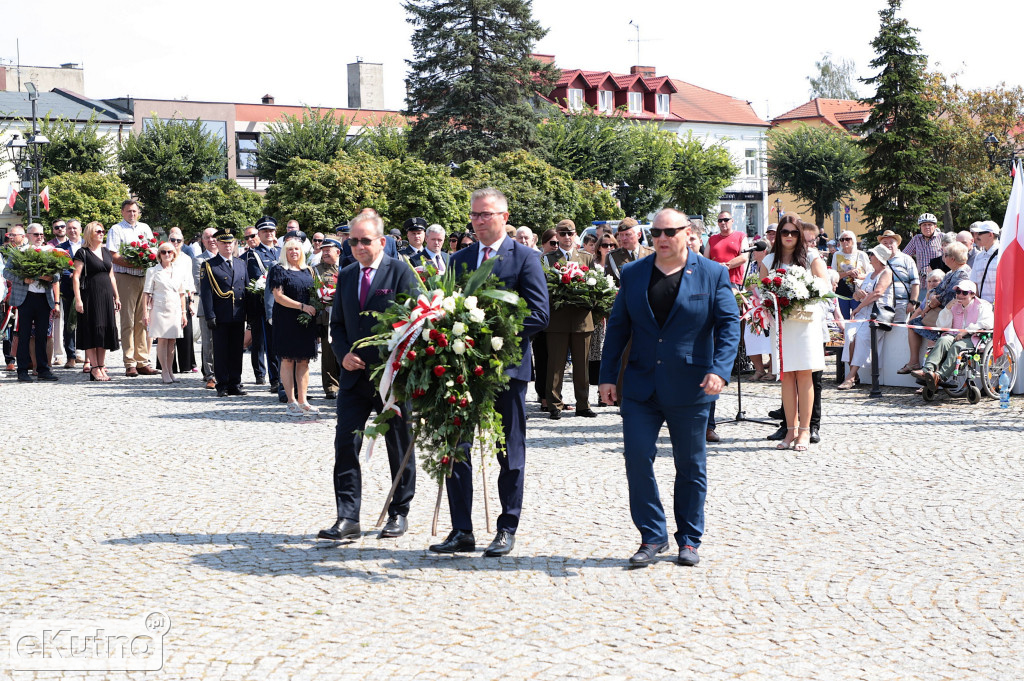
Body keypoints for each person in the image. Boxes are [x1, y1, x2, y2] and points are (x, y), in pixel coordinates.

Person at [599, 208, 739, 567]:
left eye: (670, 232)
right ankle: (652, 535)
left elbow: (727, 326)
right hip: (641, 386)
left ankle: (689, 539)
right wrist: (607, 375)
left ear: (686, 232)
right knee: (637, 460)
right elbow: (618, 328)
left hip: (691, 385)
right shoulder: (633, 273)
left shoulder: (712, 273)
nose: (661, 238)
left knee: (690, 465)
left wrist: (720, 370)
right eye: (657, 232)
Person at [430, 188, 550, 557]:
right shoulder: (459, 258)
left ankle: (506, 527)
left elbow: (539, 314)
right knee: (456, 449)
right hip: (462, 369)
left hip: (506, 369)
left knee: (508, 451)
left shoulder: (526, 258)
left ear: (504, 216)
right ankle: (461, 530)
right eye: (475, 215)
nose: (479, 221)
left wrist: (491, 332)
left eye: (486, 214)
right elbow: (444, 306)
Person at [320, 210, 418, 542]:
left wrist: (399, 361)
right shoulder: (346, 275)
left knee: (398, 444)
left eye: (365, 240)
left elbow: (417, 323)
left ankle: (398, 512)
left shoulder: (401, 272)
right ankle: (348, 517)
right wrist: (343, 353)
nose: (359, 246)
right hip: (353, 379)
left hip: (391, 378)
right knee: (346, 444)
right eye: (353, 240)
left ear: (381, 241)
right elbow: (338, 326)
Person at [759, 215, 828, 451]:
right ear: (778, 235)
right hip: (782, 324)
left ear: (800, 235)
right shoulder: (769, 260)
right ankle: (789, 430)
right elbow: (763, 292)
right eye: (785, 232)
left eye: (794, 232)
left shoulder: (810, 257)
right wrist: (771, 300)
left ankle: (805, 431)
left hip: (806, 323)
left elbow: (824, 287)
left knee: (804, 375)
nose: (789, 236)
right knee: (787, 376)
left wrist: (801, 294)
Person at [544, 219, 596, 419]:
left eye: (570, 233)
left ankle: (582, 404)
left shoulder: (586, 257)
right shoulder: (548, 259)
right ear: (556, 235)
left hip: (582, 318)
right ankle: (554, 404)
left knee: (582, 365)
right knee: (555, 365)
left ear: (575, 235)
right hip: (558, 318)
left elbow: (595, 285)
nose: (566, 237)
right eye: (562, 233)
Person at [106, 199, 158, 377]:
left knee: (143, 320)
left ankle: (142, 360)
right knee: (127, 321)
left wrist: (146, 262)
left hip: (144, 276)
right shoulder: (116, 229)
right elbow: (113, 255)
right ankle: (129, 362)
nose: (132, 214)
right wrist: (134, 264)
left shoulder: (145, 228)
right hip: (125, 277)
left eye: (135, 211)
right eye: (128, 211)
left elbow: (153, 250)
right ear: (122, 212)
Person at [912, 280, 993, 389]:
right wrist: (947, 309)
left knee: (957, 347)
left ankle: (940, 376)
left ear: (973, 294)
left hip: (974, 337)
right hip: (954, 334)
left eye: (964, 293)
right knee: (942, 340)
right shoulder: (954, 305)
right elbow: (941, 325)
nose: (960, 295)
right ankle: (926, 370)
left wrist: (966, 331)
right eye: (958, 292)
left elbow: (986, 322)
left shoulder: (982, 305)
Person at [904, 241, 971, 373]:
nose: (942, 257)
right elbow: (935, 291)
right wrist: (932, 299)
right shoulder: (952, 272)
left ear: (952, 258)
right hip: (942, 312)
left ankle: (929, 373)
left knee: (933, 337)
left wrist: (930, 304)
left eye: (945, 254)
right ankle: (915, 363)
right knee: (913, 324)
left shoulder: (962, 273)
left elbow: (947, 297)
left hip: (952, 316)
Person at [269, 239, 318, 415]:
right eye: (290, 249)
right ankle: (291, 400)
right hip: (286, 320)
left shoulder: (308, 270)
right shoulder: (279, 270)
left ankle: (303, 400)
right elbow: (278, 297)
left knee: (304, 361)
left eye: (297, 249)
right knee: (288, 360)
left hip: (306, 321)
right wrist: (302, 307)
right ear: (285, 252)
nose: (294, 252)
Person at [4, 228, 61, 382]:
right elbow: (7, 272)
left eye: (41, 234)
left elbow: (57, 274)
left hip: (44, 298)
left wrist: (50, 277)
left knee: (42, 335)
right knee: (24, 335)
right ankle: (22, 371)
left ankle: (43, 369)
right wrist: (23, 279)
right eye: (36, 234)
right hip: (26, 298)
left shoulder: (49, 251)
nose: (39, 237)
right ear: (27, 236)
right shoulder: (20, 252)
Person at [199, 230, 249, 397]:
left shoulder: (241, 263)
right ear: (218, 245)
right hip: (220, 315)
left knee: (236, 350)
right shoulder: (209, 265)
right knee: (221, 351)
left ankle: (235, 382)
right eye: (224, 243)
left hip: (238, 313)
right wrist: (210, 315)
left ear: (234, 244)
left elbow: (247, 289)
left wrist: (249, 313)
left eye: (230, 243)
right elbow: (206, 294)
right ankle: (223, 385)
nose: (228, 246)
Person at [838, 245, 894, 390]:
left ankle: (850, 377)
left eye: (872, 254)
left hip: (876, 314)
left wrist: (858, 307)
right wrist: (858, 294)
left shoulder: (886, 272)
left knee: (862, 337)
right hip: (863, 313)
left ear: (879, 258)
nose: (870, 256)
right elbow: (858, 294)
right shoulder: (869, 274)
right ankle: (853, 375)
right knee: (849, 336)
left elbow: (877, 293)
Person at [72, 222, 120, 381]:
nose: (101, 233)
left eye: (103, 231)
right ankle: (94, 367)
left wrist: (116, 296)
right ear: (90, 234)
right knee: (91, 330)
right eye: (98, 231)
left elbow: (111, 275)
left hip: (106, 296)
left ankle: (101, 365)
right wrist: (78, 299)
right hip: (89, 296)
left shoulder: (106, 252)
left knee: (103, 330)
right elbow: (76, 277)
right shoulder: (82, 252)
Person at [143, 243, 189, 384]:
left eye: (170, 252)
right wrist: (145, 313)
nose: (167, 254)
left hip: (174, 308)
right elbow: (147, 293)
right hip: (159, 308)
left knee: (172, 340)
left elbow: (182, 293)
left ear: (174, 254)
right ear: (159, 255)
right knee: (162, 340)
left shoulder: (179, 270)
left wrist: (183, 312)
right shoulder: (153, 271)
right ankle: (164, 371)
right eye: (164, 252)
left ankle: (170, 370)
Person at [245, 216, 281, 390]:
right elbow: (255, 279)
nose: (269, 234)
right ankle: (275, 379)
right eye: (265, 231)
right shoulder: (254, 255)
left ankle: (286, 377)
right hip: (264, 305)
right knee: (270, 344)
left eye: (271, 231)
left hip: (285, 304)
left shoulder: (282, 251)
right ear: (259, 234)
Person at [164, 227, 196, 374]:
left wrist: (191, 301)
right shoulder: (163, 255)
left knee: (185, 331)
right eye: (172, 240)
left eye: (178, 240)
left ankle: (186, 364)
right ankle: (167, 366)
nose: (175, 243)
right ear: (168, 241)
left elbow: (189, 280)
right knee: (167, 333)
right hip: (166, 297)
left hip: (183, 296)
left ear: (183, 242)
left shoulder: (186, 259)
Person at [314, 238, 341, 400]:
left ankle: (346, 384)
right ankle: (331, 386)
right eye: (323, 250)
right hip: (326, 317)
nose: (324, 252)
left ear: (337, 251)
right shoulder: (317, 270)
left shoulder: (348, 267)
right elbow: (317, 293)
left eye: (328, 249)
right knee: (329, 354)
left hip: (345, 317)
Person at [878, 229, 920, 327]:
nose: (888, 245)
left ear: (897, 244)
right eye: (885, 242)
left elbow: (915, 282)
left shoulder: (906, 259)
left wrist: (913, 302)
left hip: (902, 304)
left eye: (891, 242)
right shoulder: (878, 260)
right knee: (883, 333)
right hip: (882, 304)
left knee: (900, 332)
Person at [193, 227, 219, 389]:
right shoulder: (198, 260)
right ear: (203, 241)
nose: (211, 240)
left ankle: (223, 372)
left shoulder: (228, 257)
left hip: (226, 308)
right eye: (207, 237)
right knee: (208, 343)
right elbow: (200, 286)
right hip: (207, 307)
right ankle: (210, 375)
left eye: (214, 237)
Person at [57, 219, 84, 368]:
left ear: (80, 229)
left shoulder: (88, 244)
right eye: (69, 228)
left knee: (87, 322)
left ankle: (88, 357)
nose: (72, 231)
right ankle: (71, 356)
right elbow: (59, 267)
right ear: (66, 231)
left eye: (75, 228)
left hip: (87, 289)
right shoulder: (61, 248)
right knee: (69, 323)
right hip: (68, 289)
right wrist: (71, 274)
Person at [830, 230, 870, 319]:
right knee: (843, 319)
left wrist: (858, 276)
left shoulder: (861, 254)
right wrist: (848, 273)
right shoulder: (836, 255)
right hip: (841, 292)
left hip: (858, 292)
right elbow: (833, 275)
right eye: (842, 239)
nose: (844, 242)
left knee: (858, 318)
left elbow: (871, 274)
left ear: (853, 240)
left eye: (848, 239)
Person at [902, 213, 943, 295]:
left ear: (935, 226)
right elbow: (904, 256)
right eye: (924, 225)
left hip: (939, 281)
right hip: (922, 281)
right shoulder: (916, 239)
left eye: (930, 224)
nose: (927, 227)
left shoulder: (942, 237)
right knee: (922, 304)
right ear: (920, 227)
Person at [704, 211, 749, 287]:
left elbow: (744, 257)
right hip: (714, 280)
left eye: (726, 220)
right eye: (720, 220)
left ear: (732, 221)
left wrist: (726, 266)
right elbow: (705, 260)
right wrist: (719, 267)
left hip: (733, 281)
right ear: (718, 223)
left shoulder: (741, 236)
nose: (723, 222)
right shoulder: (712, 239)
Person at [968, 221, 1000, 304]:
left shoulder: (1003, 254)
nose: (976, 236)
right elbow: (974, 283)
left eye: (979, 233)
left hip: (1001, 308)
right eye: (975, 233)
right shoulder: (979, 256)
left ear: (990, 234)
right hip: (983, 309)